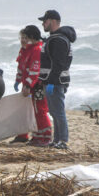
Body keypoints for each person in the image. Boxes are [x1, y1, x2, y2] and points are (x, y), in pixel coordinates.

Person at [38, 10, 76, 150]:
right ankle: (57, 139)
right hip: (52, 81)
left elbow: (58, 64)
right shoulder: (54, 38)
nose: (43, 23)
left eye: (45, 21)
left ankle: (63, 141)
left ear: (53, 21)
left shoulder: (58, 39)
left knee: (58, 112)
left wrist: (51, 82)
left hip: (56, 81)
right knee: (53, 112)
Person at [11, 25, 52, 146]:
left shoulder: (37, 50)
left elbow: (35, 69)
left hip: (37, 85)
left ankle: (45, 137)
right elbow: (21, 67)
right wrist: (18, 80)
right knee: (27, 110)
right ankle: (25, 135)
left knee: (40, 110)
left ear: (32, 37)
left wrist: (28, 85)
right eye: (21, 37)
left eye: (25, 37)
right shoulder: (25, 49)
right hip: (28, 84)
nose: (22, 40)